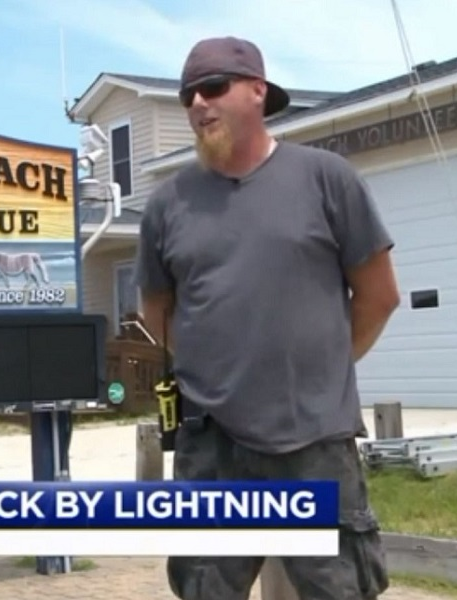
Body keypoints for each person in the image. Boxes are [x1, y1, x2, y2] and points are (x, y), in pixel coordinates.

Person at [134, 36, 400, 600]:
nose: (198, 104)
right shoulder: (168, 203)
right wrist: (219, 373)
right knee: (205, 589)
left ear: (258, 91)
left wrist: (318, 368)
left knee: (338, 590)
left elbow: (379, 296)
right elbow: (156, 313)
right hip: (212, 445)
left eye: (213, 88)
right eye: (188, 96)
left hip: (314, 443)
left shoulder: (327, 178)